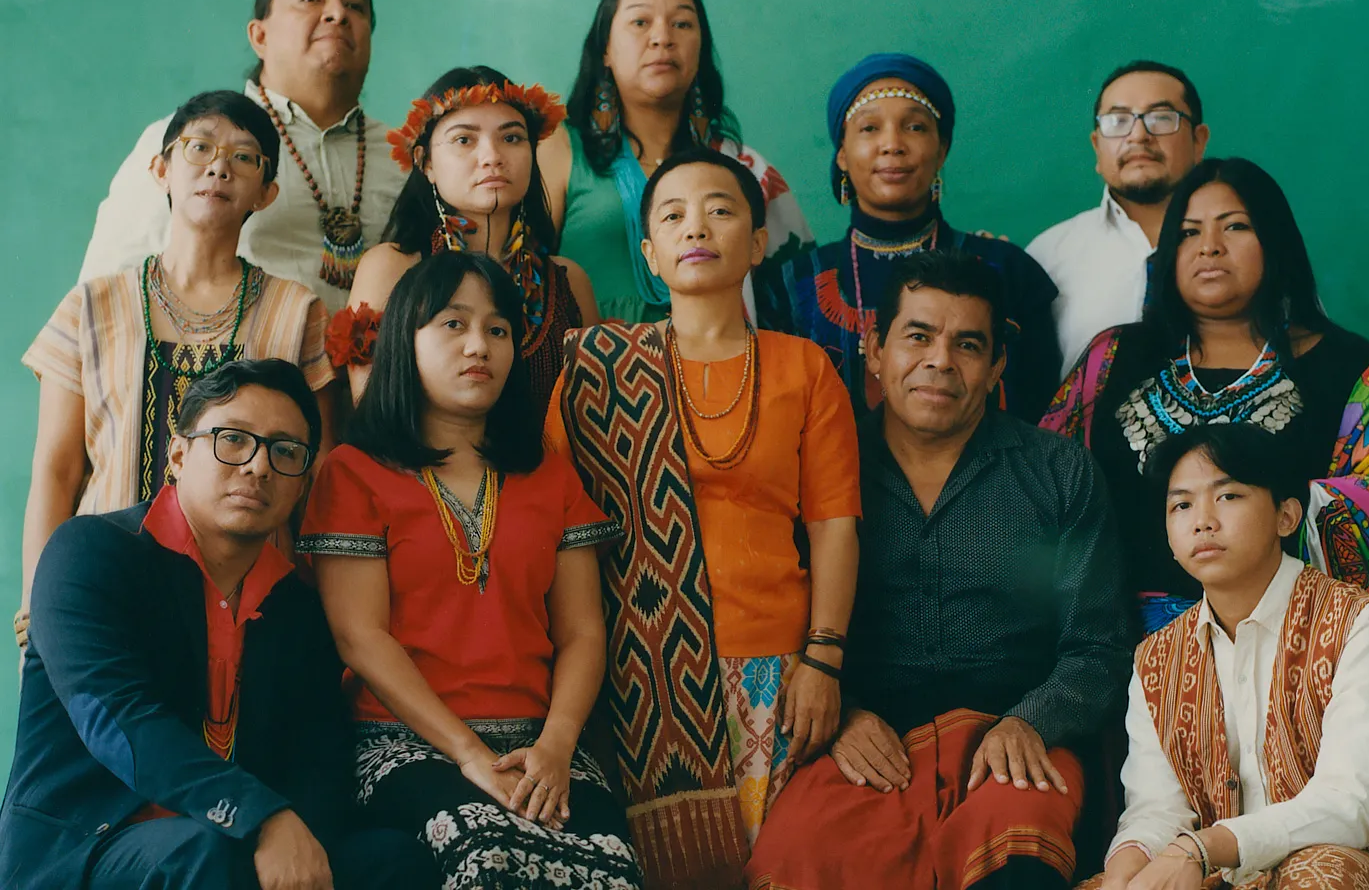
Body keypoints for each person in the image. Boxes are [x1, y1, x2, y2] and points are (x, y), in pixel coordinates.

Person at [747, 249, 1132, 889]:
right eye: (917, 337)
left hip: (1012, 742)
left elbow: (1098, 646)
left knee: (1018, 872)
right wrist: (841, 711)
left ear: (997, 365)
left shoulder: (1058, 472)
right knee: (793, 864)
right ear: (874, 349)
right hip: (859, 742)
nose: (939, 362)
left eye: (968, 345)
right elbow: (775, 620)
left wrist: (1030, 720)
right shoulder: (814, 468)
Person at [545, 149, 861, 887]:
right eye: (673, 214)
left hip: (776, 674)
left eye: (721, 209)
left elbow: (834, 525)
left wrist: (824, 660)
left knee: (769, 870)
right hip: (634, 675)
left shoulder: (804, 367)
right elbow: (560, 529)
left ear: (756, 242)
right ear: (649, 253)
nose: (698, 227)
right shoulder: (599, 367)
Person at [0, 358, 437, 890]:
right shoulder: (89, 551)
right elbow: (114, 717)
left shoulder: (297, 607)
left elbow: (318, 756)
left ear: (301, 483)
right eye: (233, 439)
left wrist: (301, 839)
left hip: (237, 841)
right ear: (179, 454)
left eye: (285, 452)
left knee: (392, 860)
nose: (258, 467)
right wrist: (260, 818)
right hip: (91, 843)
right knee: (201, 852)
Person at [298, 252, 642, 889]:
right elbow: (360, 638)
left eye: (498, 330)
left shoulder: (549, 474)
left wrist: (558, 745)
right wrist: (472, 756)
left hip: (542, 743)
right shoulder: (353, 471)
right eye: (453, 325)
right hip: (403, 741)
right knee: (483, 852)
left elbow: (584, 633)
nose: (478, 345)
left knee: (610, 865)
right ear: (406, 340)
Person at [1041, 157, 1369, 665]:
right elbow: (1042, 480)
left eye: (1235, 226)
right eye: (1188, 233)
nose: (1209, 246)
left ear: (1275, 242)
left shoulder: (1349, 370)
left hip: (1294, 650)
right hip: (1119, 652)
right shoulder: (1114, 359)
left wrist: (1298, 507)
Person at [20, 89, 334, 651]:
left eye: (244, 155)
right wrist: (42, 601)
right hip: (104, 590)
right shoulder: (92, 306)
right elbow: (58, 469)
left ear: (265, 193)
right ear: (161, 169)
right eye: (199, 147)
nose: (218, 165)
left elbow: (318, 471)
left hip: (252, 602)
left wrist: (316, 611)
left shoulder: (296, 311)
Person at [1077, 423, 1369, 890]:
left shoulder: (1361, 628)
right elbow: (1156, 807)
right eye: (1182, 505)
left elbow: (1352, 803)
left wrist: (1204, 847)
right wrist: (1129, 862)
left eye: (1228, 496)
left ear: (1286, 517)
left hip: (1353, 872)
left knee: (1321, 874)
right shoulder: (1155, 658)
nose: (1202, 521)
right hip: (1215, 875)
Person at [79, 0, 405, 313]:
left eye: (355, 6)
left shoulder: (408, 158)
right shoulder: (188, 143)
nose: (337, 14)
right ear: (260, 36)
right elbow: (101, 303)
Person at [755, 53, 1061, 423]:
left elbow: (1043, 418)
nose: (892, 144)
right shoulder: (789, 287)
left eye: (914, 127)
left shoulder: (1006, 271)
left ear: (942, 150)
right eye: (869, 128)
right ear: (841, 155)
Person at [537, 0, 814, 323]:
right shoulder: (558, 148)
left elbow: (804, 296)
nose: (662, 37)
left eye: (682, 24)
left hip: (720, 371)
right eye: (640, 22)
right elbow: (520, 277)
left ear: (700, 49)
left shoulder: (741, 165)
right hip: (589, 368)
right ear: (605, 48)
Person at [328, 66, 597, 407]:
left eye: (511, 137)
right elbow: (372, 415)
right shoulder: (391, 269)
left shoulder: (569, 283)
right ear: (425, 163)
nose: (492, 157)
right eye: (464, 139)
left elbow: (591, 425)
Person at [1027, 60, 1210, 374]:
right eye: (1118, 120)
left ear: (1198, 141)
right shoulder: (1047, 255)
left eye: (1162, 118)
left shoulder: (1251, 246)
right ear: (1097, 147)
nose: (1139, 135)